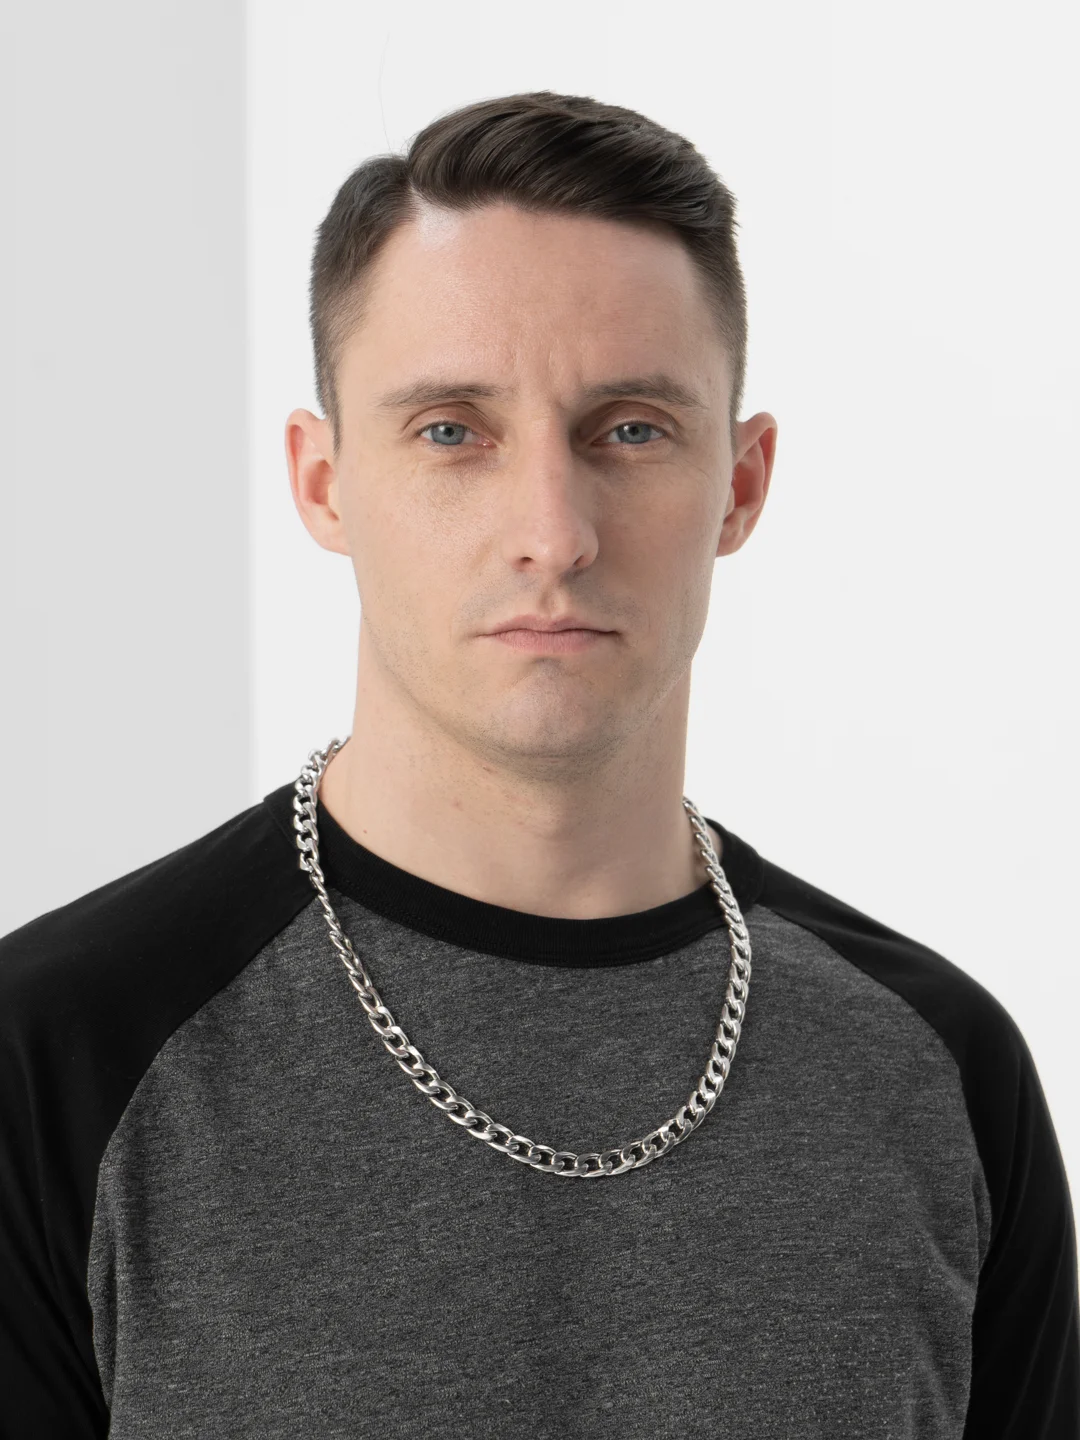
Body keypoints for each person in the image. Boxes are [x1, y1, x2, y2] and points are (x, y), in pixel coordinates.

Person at [1, 89, 1076, 1439]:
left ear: (741, 485)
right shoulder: (56, 1055)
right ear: (324, 482)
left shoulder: (939, 1071)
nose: (553, 533)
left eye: (630, 428)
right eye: (453, 429)